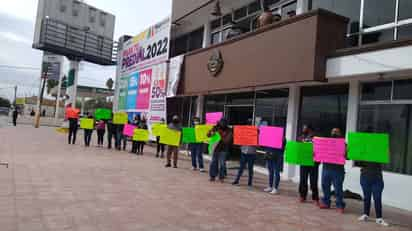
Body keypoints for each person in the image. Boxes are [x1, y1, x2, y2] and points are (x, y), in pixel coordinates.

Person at [319, 128, 346, 213]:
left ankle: (340, 205)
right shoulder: (325, 143)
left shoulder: (343, 144)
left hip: (338, 170)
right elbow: (319, 152)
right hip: (326, 168)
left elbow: (348, 157)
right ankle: (326, 202)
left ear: (340, 134)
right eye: (333, 131)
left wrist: (345, 153)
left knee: (338, 188)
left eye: (336, 132)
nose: (334, 133)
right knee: (325, 186)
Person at [357, 161, 389, 226]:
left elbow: (385, 160)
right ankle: (365, 214)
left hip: (377, 178)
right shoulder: (364, 152)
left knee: (377, 198)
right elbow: (357, 162)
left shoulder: (379, 151)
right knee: (366, 197)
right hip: (365, 177)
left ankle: (379, 218)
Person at [298, 124, 320, 204]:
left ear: (310, 129)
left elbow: (320, 149)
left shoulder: (316, 138)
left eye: (305, 128)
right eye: (303, 128)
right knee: (303, 180)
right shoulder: (301, 137)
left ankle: (315, 197)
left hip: (313, 163)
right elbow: (298, 148)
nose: (303, 129)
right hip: (304, 162)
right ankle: (303, 196)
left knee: (313, 181)